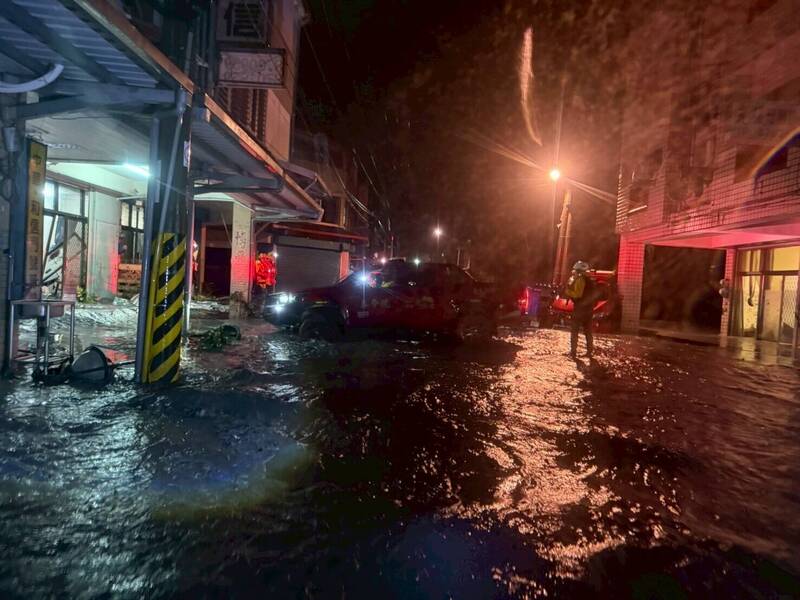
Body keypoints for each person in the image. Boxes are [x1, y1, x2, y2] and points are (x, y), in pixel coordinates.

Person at [564, 260, 596, 358]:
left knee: (575, 331)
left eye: (575, 271)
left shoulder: (580, 280)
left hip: (579, 309)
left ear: (578, 271)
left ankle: (573, 352)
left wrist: (568, 292)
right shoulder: (590, 281)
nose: (574, 273)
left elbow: (578, 294)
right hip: (589, 310)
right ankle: (589, 351)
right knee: (588, 331)